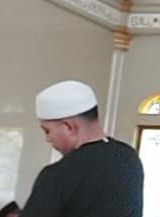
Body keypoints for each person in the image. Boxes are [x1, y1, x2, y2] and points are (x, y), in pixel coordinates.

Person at [21, 80, 143, 217]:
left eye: (47, 131)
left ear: (68, 127)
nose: (48, 139)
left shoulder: (58, 175)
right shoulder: (129, 158)